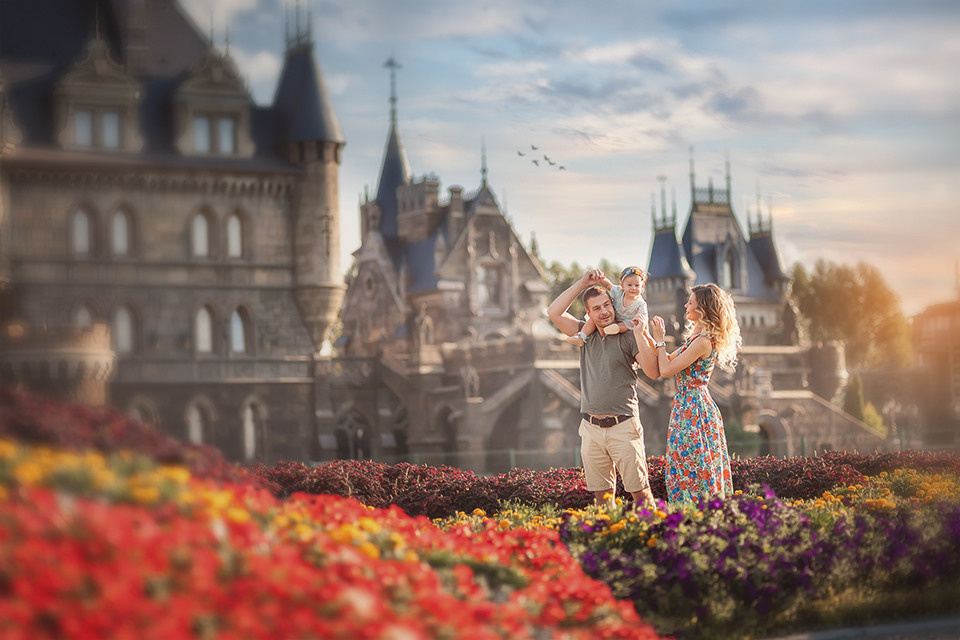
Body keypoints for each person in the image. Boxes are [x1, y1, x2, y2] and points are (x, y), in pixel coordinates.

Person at [547, 269, 660, 509]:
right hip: (591, 429)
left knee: (641, 494)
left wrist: (640, 333)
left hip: (624, 426)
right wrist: (582, 282)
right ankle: (607, 541)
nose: (604, 311)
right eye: (596, 309)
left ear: (614, 304)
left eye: (607, 305)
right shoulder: (583, 336)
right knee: (602, 498)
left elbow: (653, 372)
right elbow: (553, 312)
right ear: (588, 314)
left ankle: (655, 538)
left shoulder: (628, 336)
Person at [646, 283, 742, 503]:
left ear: (702, 310)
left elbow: (666, 370)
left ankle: (699, 515)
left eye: (690, 302)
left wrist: (660, 338)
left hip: (694, 408)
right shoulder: (695, 340)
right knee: (685, 461)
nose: (685, 305)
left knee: (694, 464)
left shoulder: (702, 342)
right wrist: (646, 335)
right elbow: (667, 359)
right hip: (686, 405)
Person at [565, 266, 649, 347]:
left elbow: (643, 316)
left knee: (627, 325)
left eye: (637, 285)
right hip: (612, 317)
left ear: (642, 286)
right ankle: (581, 336)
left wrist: (639, 319)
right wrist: (601, 278)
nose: (633, 288)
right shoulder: (619, 292)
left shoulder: (641, 304)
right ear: (622, 286)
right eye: (629, 285)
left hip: (626, 322)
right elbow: (608, 285)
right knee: (592, 320)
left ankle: (614, 329)